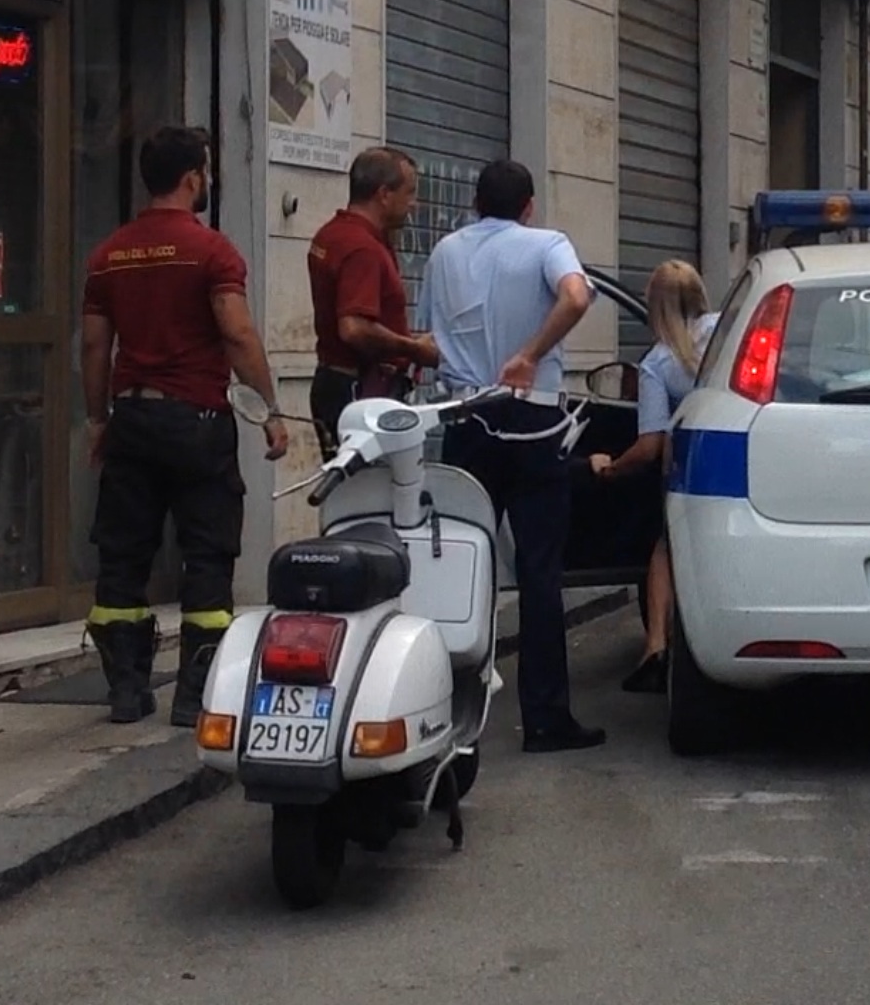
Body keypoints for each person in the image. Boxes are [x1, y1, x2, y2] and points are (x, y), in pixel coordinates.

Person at [80, 126, 288, 727]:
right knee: (208, 554)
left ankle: (126, 691)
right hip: (197, 421)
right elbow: (237, 332)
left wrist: (99, 419)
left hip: (134, 419)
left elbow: (95, 346)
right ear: (194, 177)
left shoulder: (110, 253)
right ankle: (195, 696)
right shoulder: (212, 251)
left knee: (123, 554)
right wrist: (270, 410)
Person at [420, 159, 601, 754]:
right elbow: (577, 296)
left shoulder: (444, 253)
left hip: (466, 419)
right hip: (532, 419)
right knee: (539, 572)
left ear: (475, 204)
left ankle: (438, 710)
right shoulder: (547, 244)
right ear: (528, 205)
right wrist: (529, 353)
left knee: (458, 568)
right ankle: (546, 719)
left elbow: (429, 337)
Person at [587, 260, 719, 694]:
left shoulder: (658, 364)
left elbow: (649, 446)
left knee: (665, 549)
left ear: (654, 307)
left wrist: (611, 467)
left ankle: (657, 647)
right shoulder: (728, 334)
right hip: (742, 463)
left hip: (688, 472)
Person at [308, 146, 440, 453]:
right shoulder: (362, 248)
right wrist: (414, 349)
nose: (414, 204)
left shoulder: (331, 235)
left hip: (338, 384)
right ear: (384, 194)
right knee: (371, 493)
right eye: (409, 193)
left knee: (350, 492)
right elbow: (353, 327)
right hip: (361, 393)